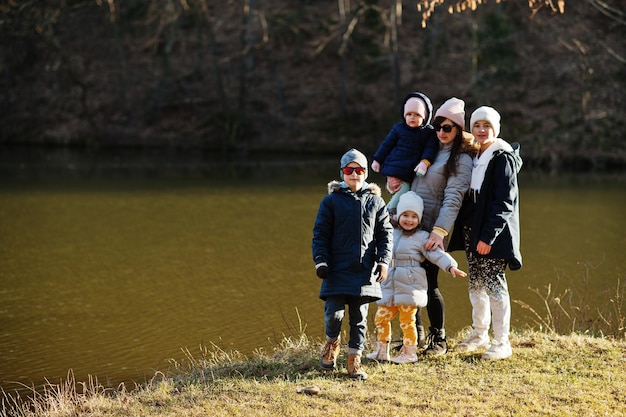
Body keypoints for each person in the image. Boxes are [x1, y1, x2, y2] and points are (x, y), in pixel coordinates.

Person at [388, 97, 479, 356]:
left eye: (448, 127)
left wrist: (440, 232)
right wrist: (393, 188)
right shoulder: (431, 149)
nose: (441, 132)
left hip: (433, 229)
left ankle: (439, 339)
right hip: (410, 224)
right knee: (407, 280)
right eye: (438, 125)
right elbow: (409, 178)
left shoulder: (460, 158)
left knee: (428, 281)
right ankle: (411, 337)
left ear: (459, 129)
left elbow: (454, 198)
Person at [312, 148, 394, 380]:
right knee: (334, 314)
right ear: (342, 173)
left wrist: (383, 261)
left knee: (359, 319)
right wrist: (321, 261)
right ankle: (331, 343)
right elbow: (320, 234)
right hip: (336, 269)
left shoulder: (376, 202)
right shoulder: (330, 201)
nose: (354, 174)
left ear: (366, 173)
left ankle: (354, 360)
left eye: (359, 170)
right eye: (349, 170)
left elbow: (385, 234)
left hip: (364, 271)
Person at [448, 106, 522, 360]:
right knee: (475, 283)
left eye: (486, 126)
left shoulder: (502, 157)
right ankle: (480, 333)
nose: (481, 130)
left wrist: (488, 237)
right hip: (472, 229)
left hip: (492, 233)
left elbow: (504, 202)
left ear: (496, 129)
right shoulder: (476, 154)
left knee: (494, 284)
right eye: (477, 125)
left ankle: (502, 342)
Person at [366, 191, 467, 364]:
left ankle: (410, 352)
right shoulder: (390, 232)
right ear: (398, 215)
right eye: (405, 215)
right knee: (381, 318)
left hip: (410, 286)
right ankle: (382, 350)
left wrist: (451, 265)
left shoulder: (422, 237)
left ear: (419, 219)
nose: (409, 220)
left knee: (407, 322)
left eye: (414, 216)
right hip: (389, 284)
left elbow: (437, 254)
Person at [371, 92, 439, 221]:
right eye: (409, 114)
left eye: (417, 115)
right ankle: (387, 212)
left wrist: (424, 163)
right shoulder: (398, 128)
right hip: (394, 167)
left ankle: (389, 212)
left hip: (409, 170)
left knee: (405, 191)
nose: (412, 118)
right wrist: (377, 159)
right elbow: (387, 144)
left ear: (425, 116)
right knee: (403, 189)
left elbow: (430, 149)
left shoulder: (428, 133)